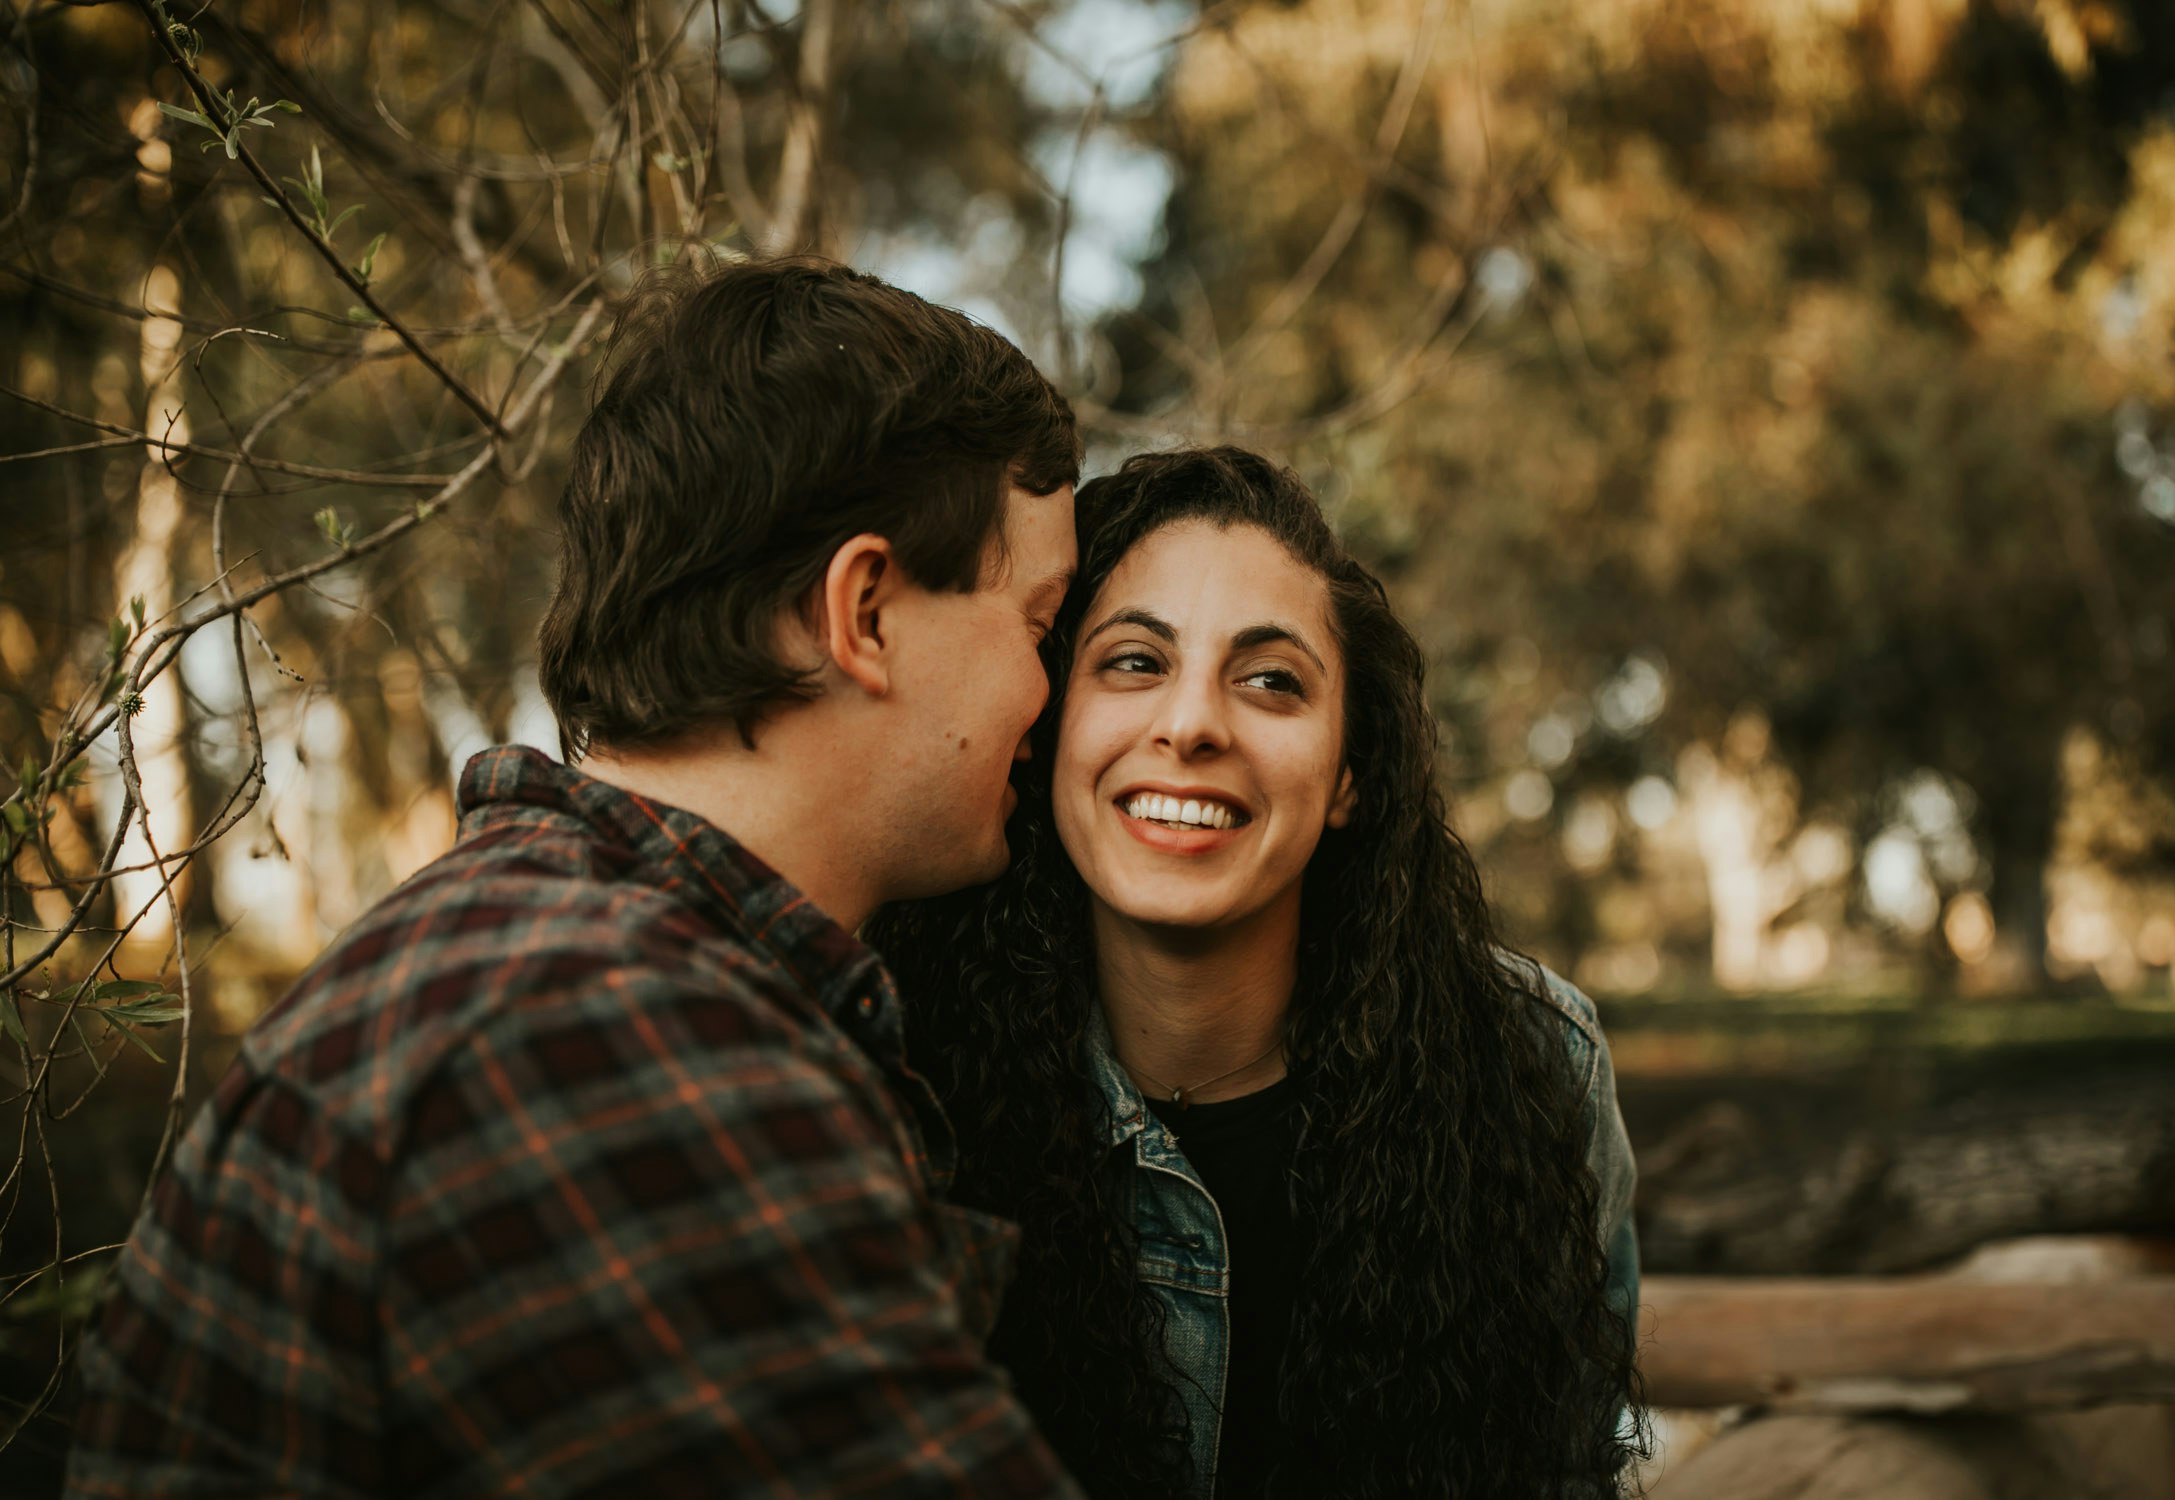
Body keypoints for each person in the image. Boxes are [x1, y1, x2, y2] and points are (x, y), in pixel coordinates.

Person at [66, 258, 1089, 1498]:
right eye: (1039, 626)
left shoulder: (533, 955)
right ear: (864, 612)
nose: (1054, 694)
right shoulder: (617, 1043)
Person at [871, 447, 1644, 1500]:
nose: (1191, 724)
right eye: (1134, 662)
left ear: (1350, 776)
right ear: (1048, 727)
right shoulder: (892, 1063)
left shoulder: (1534, 1066)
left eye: (1271, 681)